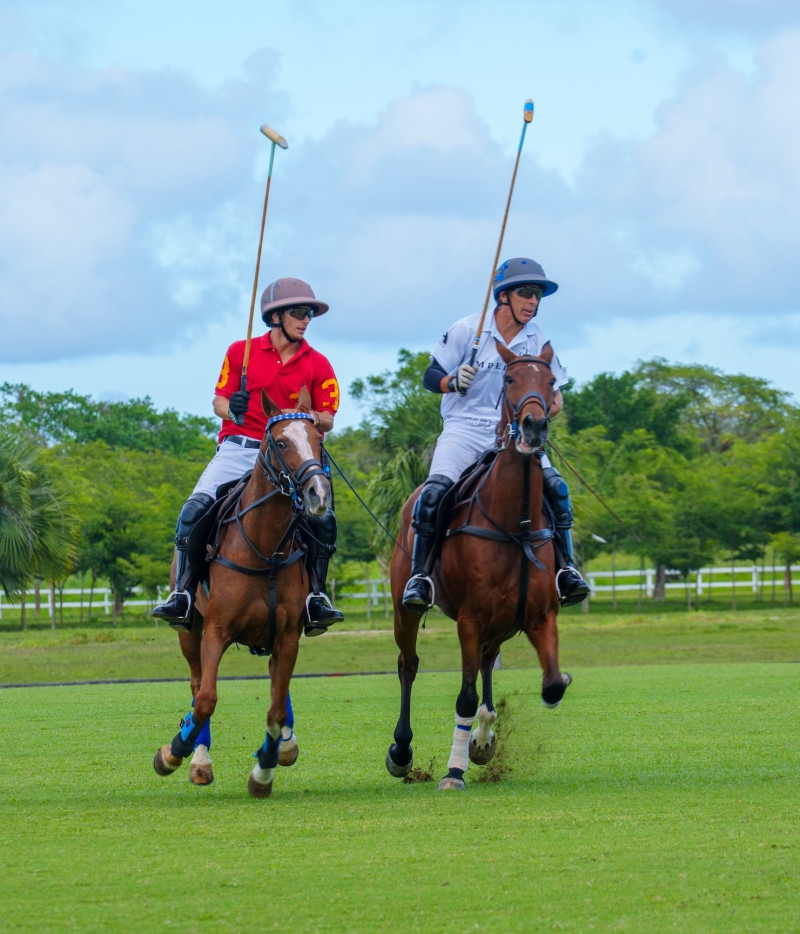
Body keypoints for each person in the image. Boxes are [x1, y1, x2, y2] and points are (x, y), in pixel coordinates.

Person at [152, 276, 344, 637]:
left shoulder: (318, 363)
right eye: (299, 312)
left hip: (295, 457)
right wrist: (234, 410)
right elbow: (218, 402)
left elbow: (329, 417)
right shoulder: (240, 352)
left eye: (309, 314)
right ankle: (182, 593)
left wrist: (304, 419)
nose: (306, 320)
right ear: (275, 317)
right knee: (192, 511)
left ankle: (316, 598)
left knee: (323, 520)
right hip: (240, 448)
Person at [401, 256, 590, 612]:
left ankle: (566, 569)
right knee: (434, 492)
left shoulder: (539, 340)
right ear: (504, 296)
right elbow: (430, 376)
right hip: (464, 429)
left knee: (557, 489)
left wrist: (549, 406)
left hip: (515, 434)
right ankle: (421, 576)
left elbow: (557, 393)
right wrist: (452, 381)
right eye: (526, 292)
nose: (533, 301)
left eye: (538, 295)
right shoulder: (467, 330)